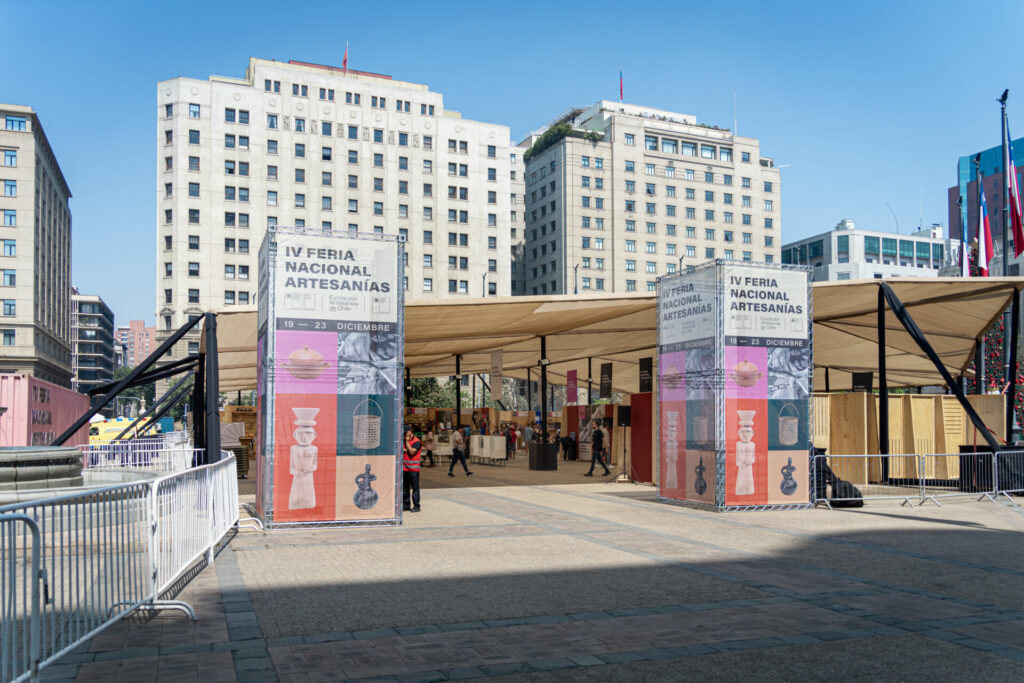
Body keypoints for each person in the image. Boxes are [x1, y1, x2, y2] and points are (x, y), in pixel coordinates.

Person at [402, 429, 422, 512]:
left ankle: (416, 506)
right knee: (405, 488)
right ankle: (406, 505)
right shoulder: (403, 440)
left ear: (412, 434)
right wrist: (406, 448)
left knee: (415, 488)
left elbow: (412, 452)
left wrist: (407, 443)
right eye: (405, 435)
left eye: (409, 435)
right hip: (405, 468)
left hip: (414, 469)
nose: (407, 437)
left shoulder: (417, 442)